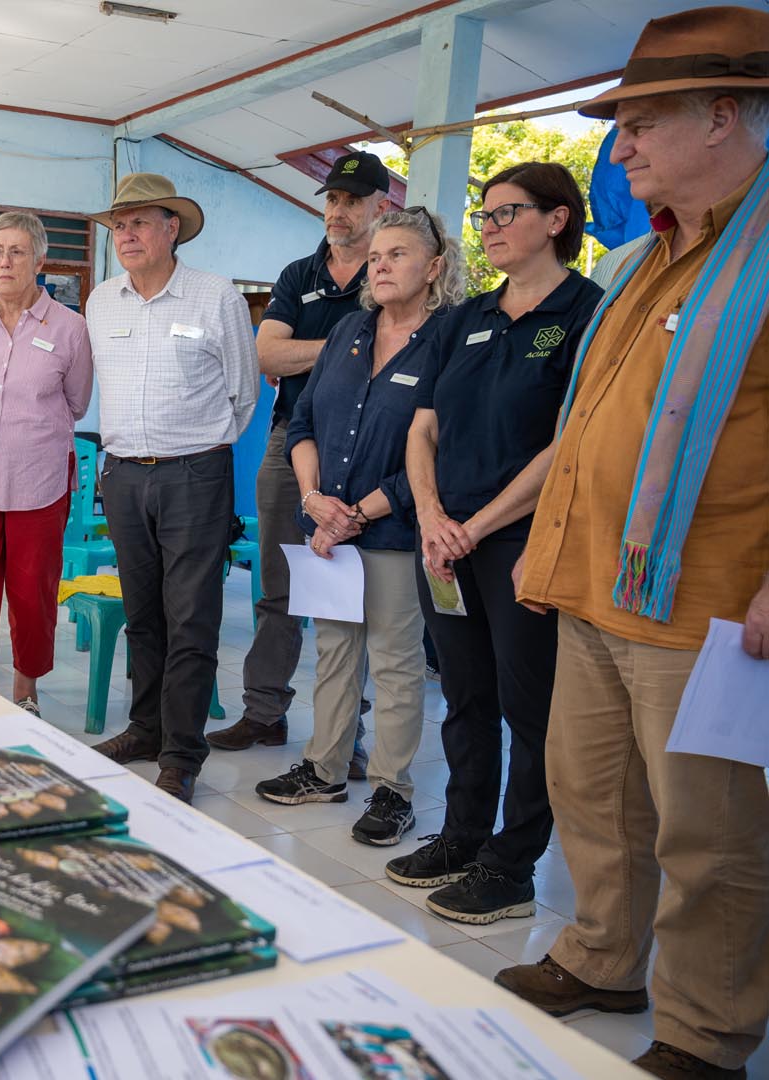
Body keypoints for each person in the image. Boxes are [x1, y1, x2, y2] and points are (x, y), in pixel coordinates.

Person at [493, 9, 769, 1076]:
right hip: (594, 585)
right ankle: (603, 957)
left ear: (721, 115)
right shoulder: (646, 257)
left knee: (706, 837)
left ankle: (704, 1030)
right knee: (590, 798)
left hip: (703, 606)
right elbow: (589, 424)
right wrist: (544, 543)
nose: (618, 148)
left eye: (639, 123)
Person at [391, 164, 603, 923]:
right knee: (465, 698)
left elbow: (567, 441)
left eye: (506, 212)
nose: (489, 226)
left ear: (556, 219)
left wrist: (474, 527)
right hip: (444, 541)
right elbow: (422, 427)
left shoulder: (587, 313)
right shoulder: (463, 318)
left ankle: (512, 867)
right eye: (483, 215)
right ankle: (461, 835)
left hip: (522, 541)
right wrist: (429, 517)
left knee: (527, 706)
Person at [253, 208, 463, 847]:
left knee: (397, 663)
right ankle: (324, 768)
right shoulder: (348, 329)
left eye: (398, 254)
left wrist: (358, 512)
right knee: (336, 650)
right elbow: (306, 421)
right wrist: (317, 500)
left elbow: (440, 446)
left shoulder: (447, 339)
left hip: (394, 531)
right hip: (330, 529)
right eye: (377, 256)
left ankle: (393, 791)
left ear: (433, 268)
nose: (381, 265)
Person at [208, 151, 389, 781]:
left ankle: (348, 735)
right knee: (278, 586)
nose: (339, 211)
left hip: (367, 449)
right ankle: (265, 711)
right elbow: (268, 355)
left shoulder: (389, 272)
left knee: (351, 597)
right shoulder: (299, 272)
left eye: (353, 201)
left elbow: (395, 361)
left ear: (379, 206)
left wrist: (310, 353)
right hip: (290, 439)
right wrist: (345, 346)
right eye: (332, 200)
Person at [84, 173, 258, 804]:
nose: (126, 235)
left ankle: (182, 753)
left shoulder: (215, 298)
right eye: (118, 225)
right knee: (143, 614)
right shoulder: (101, 301)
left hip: (194, 473)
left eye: (139, 222)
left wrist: (197, 451)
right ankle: (145, 728)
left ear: (171, 228)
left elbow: (243, 396)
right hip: (124, 474)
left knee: (191, 618)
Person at [0, 215, 93, 710]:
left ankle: (25, 693)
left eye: (18, 251)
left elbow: (77, 403)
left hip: (37, 481)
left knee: (31, 593)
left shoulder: (70, 329)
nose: (5, 261)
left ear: (40, 260)